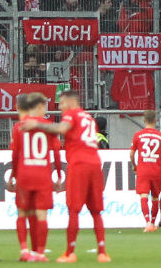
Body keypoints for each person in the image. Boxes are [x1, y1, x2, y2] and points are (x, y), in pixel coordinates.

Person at [22, 90, 111, 263]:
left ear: (70, 102)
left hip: (79, 164)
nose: (61, 107)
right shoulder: (88, 117)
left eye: (62, 103)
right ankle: (102, 252)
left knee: (74, 210)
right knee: (96, 211)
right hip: (95, 163)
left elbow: (62, 128)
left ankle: (70, 253)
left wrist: (37, 125)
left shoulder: (71, 114)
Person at [8, 93, 61, 262]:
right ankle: (39, 253)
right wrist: (59, 175)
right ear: (38, 107)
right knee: (41, 214)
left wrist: (12, 176)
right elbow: (57, 153)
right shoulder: (49, 127)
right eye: (44, 107)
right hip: (43, 175)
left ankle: (24, 250)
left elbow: (15, 155)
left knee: (22, 213)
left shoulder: (18, 127)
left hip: (24, 174)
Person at [129, 109, 161, 233]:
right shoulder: (160, 136)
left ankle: (148, 222)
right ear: (155, 120)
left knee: (144, 196)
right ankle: (153, 223)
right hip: (156, 170)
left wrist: (134, 166)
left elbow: (132, 154)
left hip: (143, 170)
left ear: (144, 120)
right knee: (155, 197)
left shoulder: (138, 135)